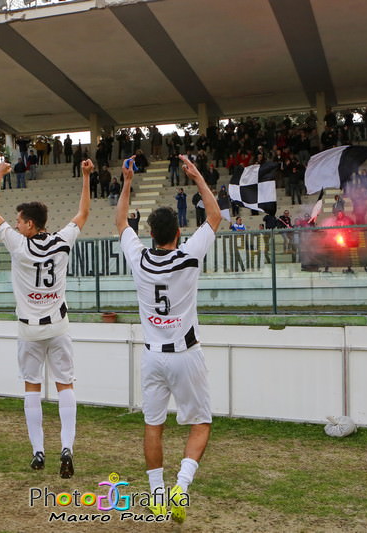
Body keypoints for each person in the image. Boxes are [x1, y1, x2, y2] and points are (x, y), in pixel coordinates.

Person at [115, 155, 221, 523]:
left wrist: (127, 182)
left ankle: (157, 496)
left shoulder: (139, 259)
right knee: (201, 423)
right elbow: (215, 217)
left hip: (152, 356)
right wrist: (197, 177)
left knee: (153, 426)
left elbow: (119, 223)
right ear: (177, 233)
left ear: (150, 235)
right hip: (186, 354)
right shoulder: (189, 255)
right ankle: (182, 487)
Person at [0, 157, 93, 479]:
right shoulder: (61, 242)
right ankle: (67, 446)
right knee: (65, 386)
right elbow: (83, 214)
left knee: (32, 388)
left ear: (30, 224)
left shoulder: (19, 245)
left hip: (29, 330)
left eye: (19, 221)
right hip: (58, 326)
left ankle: (38, 450)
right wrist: (85, 176)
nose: (16, 225)